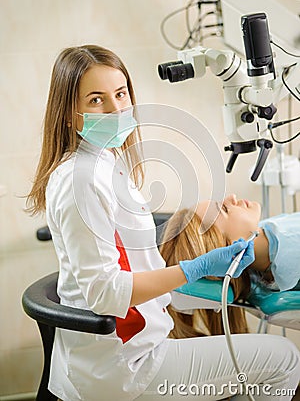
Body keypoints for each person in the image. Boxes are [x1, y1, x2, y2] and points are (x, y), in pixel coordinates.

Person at [26, 45, 300, 401]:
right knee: (284, 359)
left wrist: (186, 275)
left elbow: (126, 254)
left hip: (124, 351)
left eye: (121, 94)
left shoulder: (104, 164)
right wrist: (195, 267)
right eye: (96, 100)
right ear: (68, 113)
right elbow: (104, 293)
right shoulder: (82, 180)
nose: (115, 109)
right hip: (125, 367)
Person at [160, 194, 300, 339]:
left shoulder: (266, 234)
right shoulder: (292, 248)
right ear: (230, 249)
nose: (232, 197)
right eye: (225, 209)